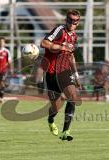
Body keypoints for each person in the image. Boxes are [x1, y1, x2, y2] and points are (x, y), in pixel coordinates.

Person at [40, 9, 81, 141]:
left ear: (78, 23)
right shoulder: (60, 30)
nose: (72, 23)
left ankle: (65, 132)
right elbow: (44, 43)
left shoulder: (74, 37)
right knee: (56, 108)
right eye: (70, 20)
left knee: (73, 98)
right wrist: (61, 47)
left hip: (64, 71)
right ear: (66, 20)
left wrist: (76, 74)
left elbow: (71, 56)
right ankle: (51, 119)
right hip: (51, 72)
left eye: (75, 21)